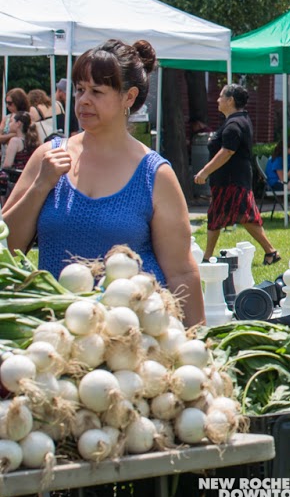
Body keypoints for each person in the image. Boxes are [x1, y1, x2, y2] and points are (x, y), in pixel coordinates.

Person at [3, 39, 200, 323]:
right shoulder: (48, 157)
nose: (83, 100)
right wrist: (40, 186)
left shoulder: (155, 174)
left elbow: (182, 272)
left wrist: (198, 343)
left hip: (135, 340)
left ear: (128, 97)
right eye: (80, 89)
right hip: (58, 336)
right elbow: (7, 248)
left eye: (97, 91)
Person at [192, 83, 280, 264]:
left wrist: (204, 171)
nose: (217, 99)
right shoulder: (236, 121)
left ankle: (270, 251)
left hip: (232, 180)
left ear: (230, 100)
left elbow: (227, 152)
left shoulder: (235, 124)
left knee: (242, 215)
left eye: (221, 96)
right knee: (222, 216)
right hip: (229, 180)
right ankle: (208, 257)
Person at [5, 113, 40, 180]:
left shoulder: (15, 141)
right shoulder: (33, 140)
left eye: (11, 121)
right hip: (30, 177)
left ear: (18, 123)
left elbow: (7, 165)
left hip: (17, 179)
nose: (9, 124)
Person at [1, 89, 28, 169]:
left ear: (18, 102)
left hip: (20, 157)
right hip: (5, 155)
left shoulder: (27, 116)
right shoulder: (7, 118)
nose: (7, 106)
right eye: (6, 103)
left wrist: (6, 137)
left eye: (10, 103)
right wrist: (13, 134)